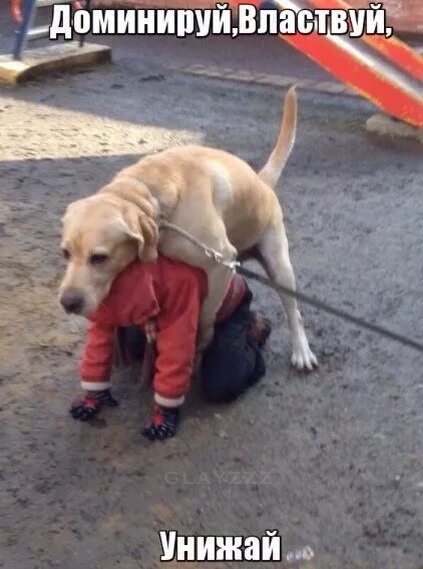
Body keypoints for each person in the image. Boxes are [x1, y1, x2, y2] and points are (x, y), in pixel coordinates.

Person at [70, 255, 271, 440]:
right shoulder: (105, 273)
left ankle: (251, 328)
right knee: (132, 348)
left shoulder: (176, 280)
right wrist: (94, 390)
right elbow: (101, 325)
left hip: (220, 309)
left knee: (221, 386)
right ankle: (152, 324)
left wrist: (166, 407)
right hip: (158, 306)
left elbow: (178, 342)